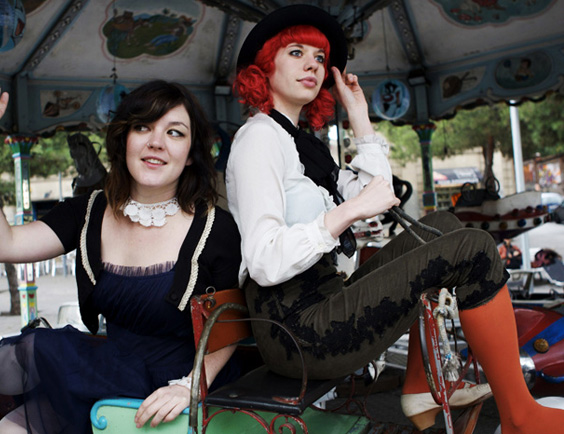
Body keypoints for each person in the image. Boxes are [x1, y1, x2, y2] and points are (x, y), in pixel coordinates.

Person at [225, 5, 564, 433]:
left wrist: (358, 115)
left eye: (319, 58)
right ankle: (519, 415)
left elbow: (377, 193)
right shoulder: (258, 138)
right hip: (295, 332)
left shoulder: (301, 144)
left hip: (324, 302)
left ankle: (421, 385)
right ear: (264, 65)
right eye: (296, 53)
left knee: (443, 226)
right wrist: (349, 211)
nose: (312, 65)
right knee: (473, 248)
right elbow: (263, 260)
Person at [0, 80, 242, 433]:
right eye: (143, 126)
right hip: (109, 375)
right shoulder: (89, 211)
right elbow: (0, 245)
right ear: (124, 139)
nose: (156, 142)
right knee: (9, 428)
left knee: (42, 347)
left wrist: (190, 385)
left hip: (183, 387)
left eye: (175, 132)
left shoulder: (216, 227)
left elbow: (232, 322)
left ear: (190, 153)